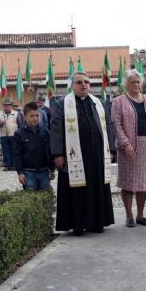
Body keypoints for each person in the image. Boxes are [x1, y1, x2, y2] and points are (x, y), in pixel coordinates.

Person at [51, 72, 115, 235]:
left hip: (97, 155)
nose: (84, 85)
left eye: (86, 82)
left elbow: (108, 125)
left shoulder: (98, 103)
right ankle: (78, 225)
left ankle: (97, 222)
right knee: (77, 190)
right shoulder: (62, 104)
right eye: (79, 82)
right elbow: (56, 128)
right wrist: (58, 153)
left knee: (97, 187)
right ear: (72, 85)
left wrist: (111, 149)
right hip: (74, 154)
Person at [112, 70, 146, 228]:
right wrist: (126, 143)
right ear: (126, 84)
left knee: (143, 183)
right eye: (133, 82)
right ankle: (129, 215)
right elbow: (116, 125)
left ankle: (141, 215)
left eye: (138, 82)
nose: (136, 85)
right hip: (128, 148)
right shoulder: (118, 101)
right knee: (127, 183)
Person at [12, 102, 55, 191]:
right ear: (24, 117)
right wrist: (20, 172)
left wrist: (52, 169)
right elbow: (17, 154)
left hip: (44, 170)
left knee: (46, 196)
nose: (35, 118)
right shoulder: (19, 134)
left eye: (37, 115)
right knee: (31, 198)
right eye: (31, 116)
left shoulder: (45, 131)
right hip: (28, 172)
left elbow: (50, 150)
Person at [0, 99, 22, 171]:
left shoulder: (16, 113)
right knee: (5, 150)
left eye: (8, 105)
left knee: (14, 150)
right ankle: (7, 165)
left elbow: (20, 125)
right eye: (5, 105)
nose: (6, 107)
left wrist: (20, 134)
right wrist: (1, 123)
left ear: (11, 106)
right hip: (4, 135)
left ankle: (14, 165)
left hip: (14, 135)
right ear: (3, 106)